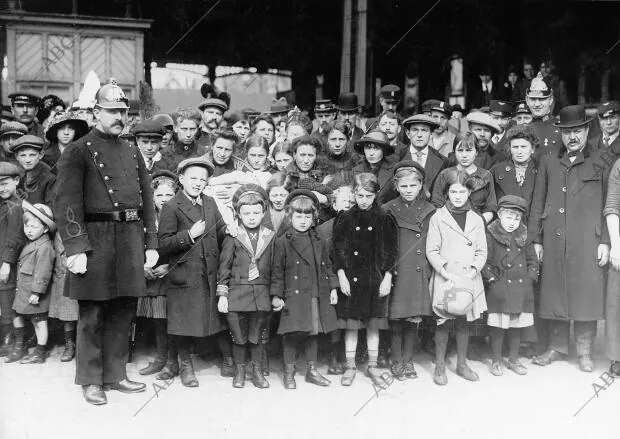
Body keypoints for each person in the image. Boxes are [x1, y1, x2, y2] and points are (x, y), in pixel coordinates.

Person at [53, 80, 159, 405]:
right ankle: (90, 380)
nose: (118, 117)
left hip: (128, 239)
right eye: (111, 111)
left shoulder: (131, 149)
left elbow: (147, 199)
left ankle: (116, 374)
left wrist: (151, 243)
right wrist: (76, 247)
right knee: (93, 314)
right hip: (95, 242)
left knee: (124, 310)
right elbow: (66, 203)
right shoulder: (78, 151)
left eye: (122, 112)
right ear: (96, 112)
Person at [529, 105, 609, 372]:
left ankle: (585, 352)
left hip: (588, 240)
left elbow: (611, 205)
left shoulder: (602, 160)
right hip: (554, 239)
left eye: (577, 131)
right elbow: (537, 203)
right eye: (567, 132)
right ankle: (556, 348)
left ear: (587, 130)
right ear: (560, 134)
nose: (572, 137)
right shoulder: (549, 161)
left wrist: (606, 242)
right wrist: (536, 240)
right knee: (555, 293)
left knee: (586, 295)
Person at [332, 173, 398, 388]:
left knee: (373, 324)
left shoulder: (384, 217)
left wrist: (387, 277)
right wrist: (341, 275)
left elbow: (391, 250)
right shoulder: (345, 217)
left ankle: (372, 364)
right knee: (351, 325)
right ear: (353, 193)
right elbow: (338, 249)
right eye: (360, 195)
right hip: (351, 280)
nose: (364, 200)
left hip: (375, 280)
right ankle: (350, 366)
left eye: (369, 196)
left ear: (376, 194)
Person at [271, 189, 339, 389]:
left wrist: (333, 287)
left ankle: (311, 369)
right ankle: (289, 371)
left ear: (314, 217)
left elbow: (328, 265)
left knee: (313, 333)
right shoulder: (283, 241)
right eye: (298, 216)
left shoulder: (318, 239)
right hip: (292, 294)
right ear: (290, 216)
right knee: (291, 333)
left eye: (307, 216)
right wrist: (276, 295)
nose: (302, 220)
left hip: (315, 293)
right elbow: (277, 271)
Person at [426, 169, 487, 385]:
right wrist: (444, 272)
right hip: (447, 277)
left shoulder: (476, 219)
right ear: (446, 193)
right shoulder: (438, 217)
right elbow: (432, 250)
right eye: (453, 191)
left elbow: (481, 251)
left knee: (464, 321)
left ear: (469, 193)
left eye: (462, 191)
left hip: (468, 278)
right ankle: (440, 365)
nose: (458, 196)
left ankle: (462, 364)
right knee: (443, 321)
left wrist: (472, 272)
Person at [217, 184, 274, 388]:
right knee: (239, 337)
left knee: (256, 336)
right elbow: (224, 267)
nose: (251, 217)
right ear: (239, 214)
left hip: (261, 294)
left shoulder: (270, 236)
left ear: (263, 212)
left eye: (256, 212)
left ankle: (257, 371)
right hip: (236, 294)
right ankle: (239, 372)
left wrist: (275, 295)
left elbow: (276, 269)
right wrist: (223, 295)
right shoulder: (233, 236)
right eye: (246, 213)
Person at [383, 161, 435, 380]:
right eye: (403, 186)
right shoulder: (388, 209)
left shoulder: (429, 210)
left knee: (413, 318)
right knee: (396, 317)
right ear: (396, 186)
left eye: (413, 186)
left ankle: (408, 360)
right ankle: (396, 360)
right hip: (397, 269)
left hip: (418, 269)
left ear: (421, 185)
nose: (408, 190)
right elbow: (384, 243)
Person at [482, 195, 539, 376]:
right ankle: (497, 360)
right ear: (499, 214)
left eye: (517, 218)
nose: (513, 222)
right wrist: (491, 279)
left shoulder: (523, 234)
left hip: (521, 289)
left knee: (517, 326)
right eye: (508, 217)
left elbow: (533, 261)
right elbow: (485, 261)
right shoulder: (490, 234)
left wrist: (530, 279)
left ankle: (514, 359)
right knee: (498, 327)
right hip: (499, 289)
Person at [136, 170, 177, 376]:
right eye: (159, 195)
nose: (164, 199)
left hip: (172, 275)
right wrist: (143, 267)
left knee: (171, 319)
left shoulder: (178, 216)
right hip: (150, 275)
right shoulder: (147, 219)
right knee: (158, 320)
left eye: (168, 195)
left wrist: (169, 267)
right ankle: (161, 357)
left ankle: (171, 360)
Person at [6, 202, 55, 364]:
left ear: (46, 229)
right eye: (27, 225)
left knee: (39, 321)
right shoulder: (31, 243)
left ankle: (40, 352)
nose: (29, 229)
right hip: (23, 290)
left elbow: (43, 271)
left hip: (33, 292)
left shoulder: (45, 247)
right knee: (17, 315)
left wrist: (37, 292)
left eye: (34, 226)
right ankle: (19, 345)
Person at [316, 172, 355, 375]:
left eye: (351, 200)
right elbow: (323, 260)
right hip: (332, 281)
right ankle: (333, 355)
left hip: (353, 280)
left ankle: (350, 354)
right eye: (343, 200)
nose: (347, 203)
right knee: (334, 319)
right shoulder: (324, 230)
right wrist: (333, 282)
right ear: (333, 203)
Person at [432, 133, 497, 224]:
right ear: (454, 152)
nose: (464, 155)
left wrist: (479, 223)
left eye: (469, 150)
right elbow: (437, 204)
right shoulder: (445, 174)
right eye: (460, 150)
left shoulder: (486, 176)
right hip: (449, 225)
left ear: (476, 152)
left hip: (478, 226)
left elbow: (491, 207)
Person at [0, 162, 26, 358]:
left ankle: (11, 339)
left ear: (16, 181)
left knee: (7, 298)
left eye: (5, 183)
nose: (1, 188)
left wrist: (6, 264)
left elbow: (14, 238)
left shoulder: (15, 206)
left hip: (6, 262)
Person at [399, 114, 448, 197]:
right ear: (408, 134)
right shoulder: (397, 157)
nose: (419, 135)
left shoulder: (443, 161)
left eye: (424, 130)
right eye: (415, 130)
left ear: (431, 134)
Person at [491, 124, 539, 206]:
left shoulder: (541, 169)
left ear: (533, 148)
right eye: (515, 147)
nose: (519, 151)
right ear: (510, 148)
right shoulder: (497, 171)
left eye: (523, 147)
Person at [352, 130, 398, 205]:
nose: (371, 153)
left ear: (384, 150)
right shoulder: (356, 170)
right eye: (368, 147)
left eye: (376, 148)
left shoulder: (394, 170)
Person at [10, 135, 56, 206]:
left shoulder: (49, 179)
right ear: (16, 156)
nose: (28, 160)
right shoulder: (17, 175)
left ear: (41, 155)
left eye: (32, 155)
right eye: (23, 155)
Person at [525, 72, 561, 160]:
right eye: (533, 99)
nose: (537, 104)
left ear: (551, 99)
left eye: (542, 99)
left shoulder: (562, 128)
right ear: (527, 100)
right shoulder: (522, 130)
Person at [159, 108, 206, 172]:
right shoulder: (164, 154)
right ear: (175, 128)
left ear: (198, 129)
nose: (188, 134)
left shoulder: (204, 153)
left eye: (192, 129)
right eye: (184, 129)